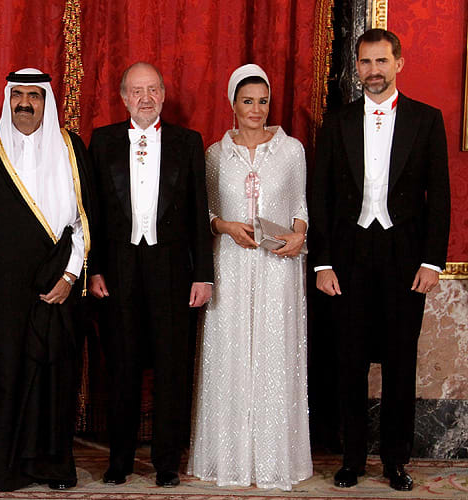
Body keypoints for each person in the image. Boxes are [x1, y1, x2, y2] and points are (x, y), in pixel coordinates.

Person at [309, 29, 450, 491]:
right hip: (348, 258)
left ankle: (395, 462)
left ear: (398, 63)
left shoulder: (426, 119)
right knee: (348, 362)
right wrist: (323, 263)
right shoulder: (337, 122)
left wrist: (431, 262)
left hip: (404, 259)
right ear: (357, 66)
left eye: (382, 61)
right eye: (366, 62)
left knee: (399, 364)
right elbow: (320, 195)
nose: (373, 70)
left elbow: (439, 197)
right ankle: (351, 459)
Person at [0, 68, 91, 492]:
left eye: (34, 95)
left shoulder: (71, 147)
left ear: (47, 101)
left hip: (54, 282)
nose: (25, 103)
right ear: (8, 98)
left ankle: (52, 467)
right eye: (18, 95)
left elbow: (84, 221)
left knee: (53, 376)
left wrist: (70, 275)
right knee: (2, 375)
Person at [186, 64, 312, 490]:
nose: (256, 109)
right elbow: (204, 211)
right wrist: (225, 226)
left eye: (262, 101)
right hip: (232, 263)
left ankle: (274, 459)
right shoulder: (215, 155)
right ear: (233, 104)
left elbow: (301, 205)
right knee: (231, 352)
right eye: (247, 101)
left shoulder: (291, 150)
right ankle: (229, 457)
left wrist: (299, 234)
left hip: (278, 266)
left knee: (275, 353)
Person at [88, 62, 214, 488]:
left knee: (171, 368)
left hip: (173, 271)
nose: (146, 98)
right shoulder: (102, 140)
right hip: (118, 271)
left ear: (163, 94)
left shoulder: (187, 142)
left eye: (153, 90)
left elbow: (199, 211)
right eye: (137, 91)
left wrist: (204, 275)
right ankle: (119, 460)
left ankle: (166, 462)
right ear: (124, 97)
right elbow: (93, 213)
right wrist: (94, 269)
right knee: (121, 367)